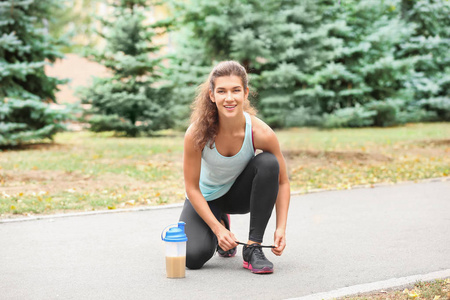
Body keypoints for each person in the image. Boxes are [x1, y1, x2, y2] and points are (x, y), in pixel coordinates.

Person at [179, 60, 290, 274]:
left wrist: (281, 228)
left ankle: (253, 248)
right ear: (212, 95)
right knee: (193, 257)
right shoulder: (196, 133)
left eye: (235, 90)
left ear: (245, 93)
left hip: (239, 195)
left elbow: (283, 182)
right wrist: (217, 229)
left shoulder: (260, 133)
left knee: (268, 163)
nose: (229, 98)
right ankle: (221, 221)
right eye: (221, 91)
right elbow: (192, 188)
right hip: (206, 197)